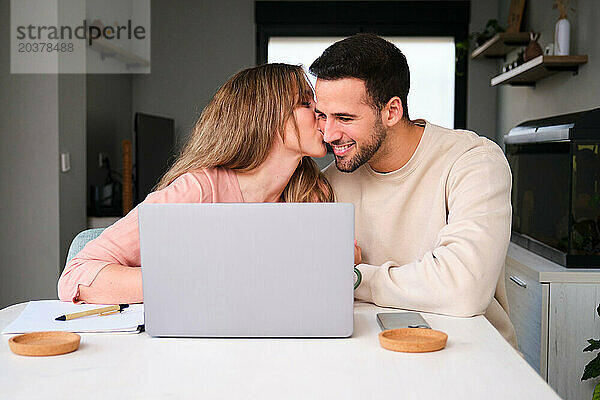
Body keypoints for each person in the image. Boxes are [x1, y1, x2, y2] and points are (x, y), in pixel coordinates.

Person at [58, 63, 333, 305]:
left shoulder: (309, 191)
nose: (320, 112)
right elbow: (76, 274)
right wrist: (194, 280)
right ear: (268, 117)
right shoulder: (200, 190)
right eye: (306, 103)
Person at [310, 33, 517, 347]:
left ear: (392, 111)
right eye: (322, 116)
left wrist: (356, 277)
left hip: (472, 355)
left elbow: (463, 289)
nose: (328, 133)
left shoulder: (473, 162)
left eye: (344, 118)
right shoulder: (331, 183)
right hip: (367, 351)